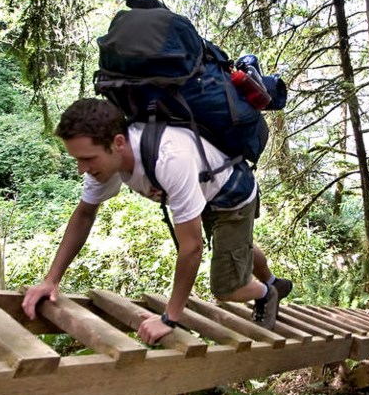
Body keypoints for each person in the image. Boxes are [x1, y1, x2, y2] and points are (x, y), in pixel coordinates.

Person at [21, 98, 292, 343]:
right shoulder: (108, 161)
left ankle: (266, 292)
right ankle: (272, 279)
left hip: (232, 196)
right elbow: (84, 214)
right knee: (234, 246)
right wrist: (51, 279)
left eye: (87, 159)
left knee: (226, 287)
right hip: (204, 189)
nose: (82, 169)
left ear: (118, 142)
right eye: (77, 159)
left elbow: (191, 248)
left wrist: (170, 317)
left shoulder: (169, 158)